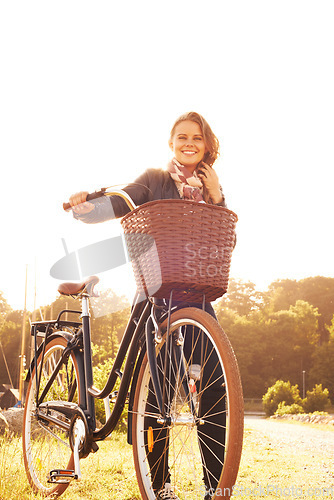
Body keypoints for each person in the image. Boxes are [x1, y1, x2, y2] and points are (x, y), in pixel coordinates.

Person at [68, 112, 227, 500]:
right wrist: (88, 207)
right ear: (171, 142)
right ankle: (161, 485)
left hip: (199, 296)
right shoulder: (155, 178)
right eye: (181, 136)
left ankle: (218, 487)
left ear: (207, 145)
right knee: (155, 394)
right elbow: (125, 200)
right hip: (155, 292)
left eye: (197, 138)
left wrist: (218, 197)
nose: (189, 142)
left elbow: (225, 241)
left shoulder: (211, 187)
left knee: (215, 393)